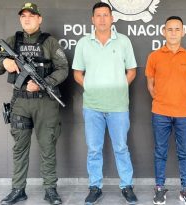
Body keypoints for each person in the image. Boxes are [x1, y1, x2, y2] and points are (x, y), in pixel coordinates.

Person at [0, 2, 68, 205]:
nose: (27, 19)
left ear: (39, 19)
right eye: (23, 16)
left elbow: (63, 69)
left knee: (47, 147)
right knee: (20, 148)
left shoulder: (50, 42)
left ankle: (50, 190)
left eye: (31, 16)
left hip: (45, 103)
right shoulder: (11, 41)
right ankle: (18, 190)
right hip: (20, 103)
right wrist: (4, 63)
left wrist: (45, 84)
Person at [72, 2, 138, 205]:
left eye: (105, 15)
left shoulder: (124, 42)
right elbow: (77, 73)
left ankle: (127, 186)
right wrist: (91, 87)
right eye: (98, 15)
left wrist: (118, 87)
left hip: (118, 106)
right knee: (93, 149)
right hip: (92, 106)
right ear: (92, 19)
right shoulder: (83, 43)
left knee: (121, 148)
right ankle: (95, 187)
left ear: (112, 18)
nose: (102, 19)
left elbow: (132, 71)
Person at [145, 16, 186, 205]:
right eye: (170, 29)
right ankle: (159, 188)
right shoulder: (154, 56)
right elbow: (150, 85)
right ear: (163, 32)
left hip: (184, 113)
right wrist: (163, 99)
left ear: (183, 32)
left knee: (184, 153)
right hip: (160, 112)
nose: (173, 33)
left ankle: (185, 190)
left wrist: (179, 99)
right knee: (160, 151)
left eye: (177, 29)